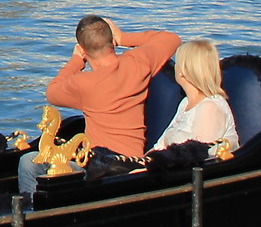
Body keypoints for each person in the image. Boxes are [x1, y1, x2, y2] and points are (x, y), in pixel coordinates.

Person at [25, 14, 181, 190]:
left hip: (98, 167)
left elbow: (52, 92)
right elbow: (172, 39)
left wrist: (77, 60)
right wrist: (124, 37)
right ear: (111, 41)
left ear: (83, 48)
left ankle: (32, 212)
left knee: (28, 162)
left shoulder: (83, 84)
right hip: (132, 162)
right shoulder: (138, 63)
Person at [150, 39, 238, 156]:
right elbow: (160, 146)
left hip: (188, 171)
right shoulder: (185, 103)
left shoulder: (209, 108)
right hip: (168, 165)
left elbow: (199, 155)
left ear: (182, 71)